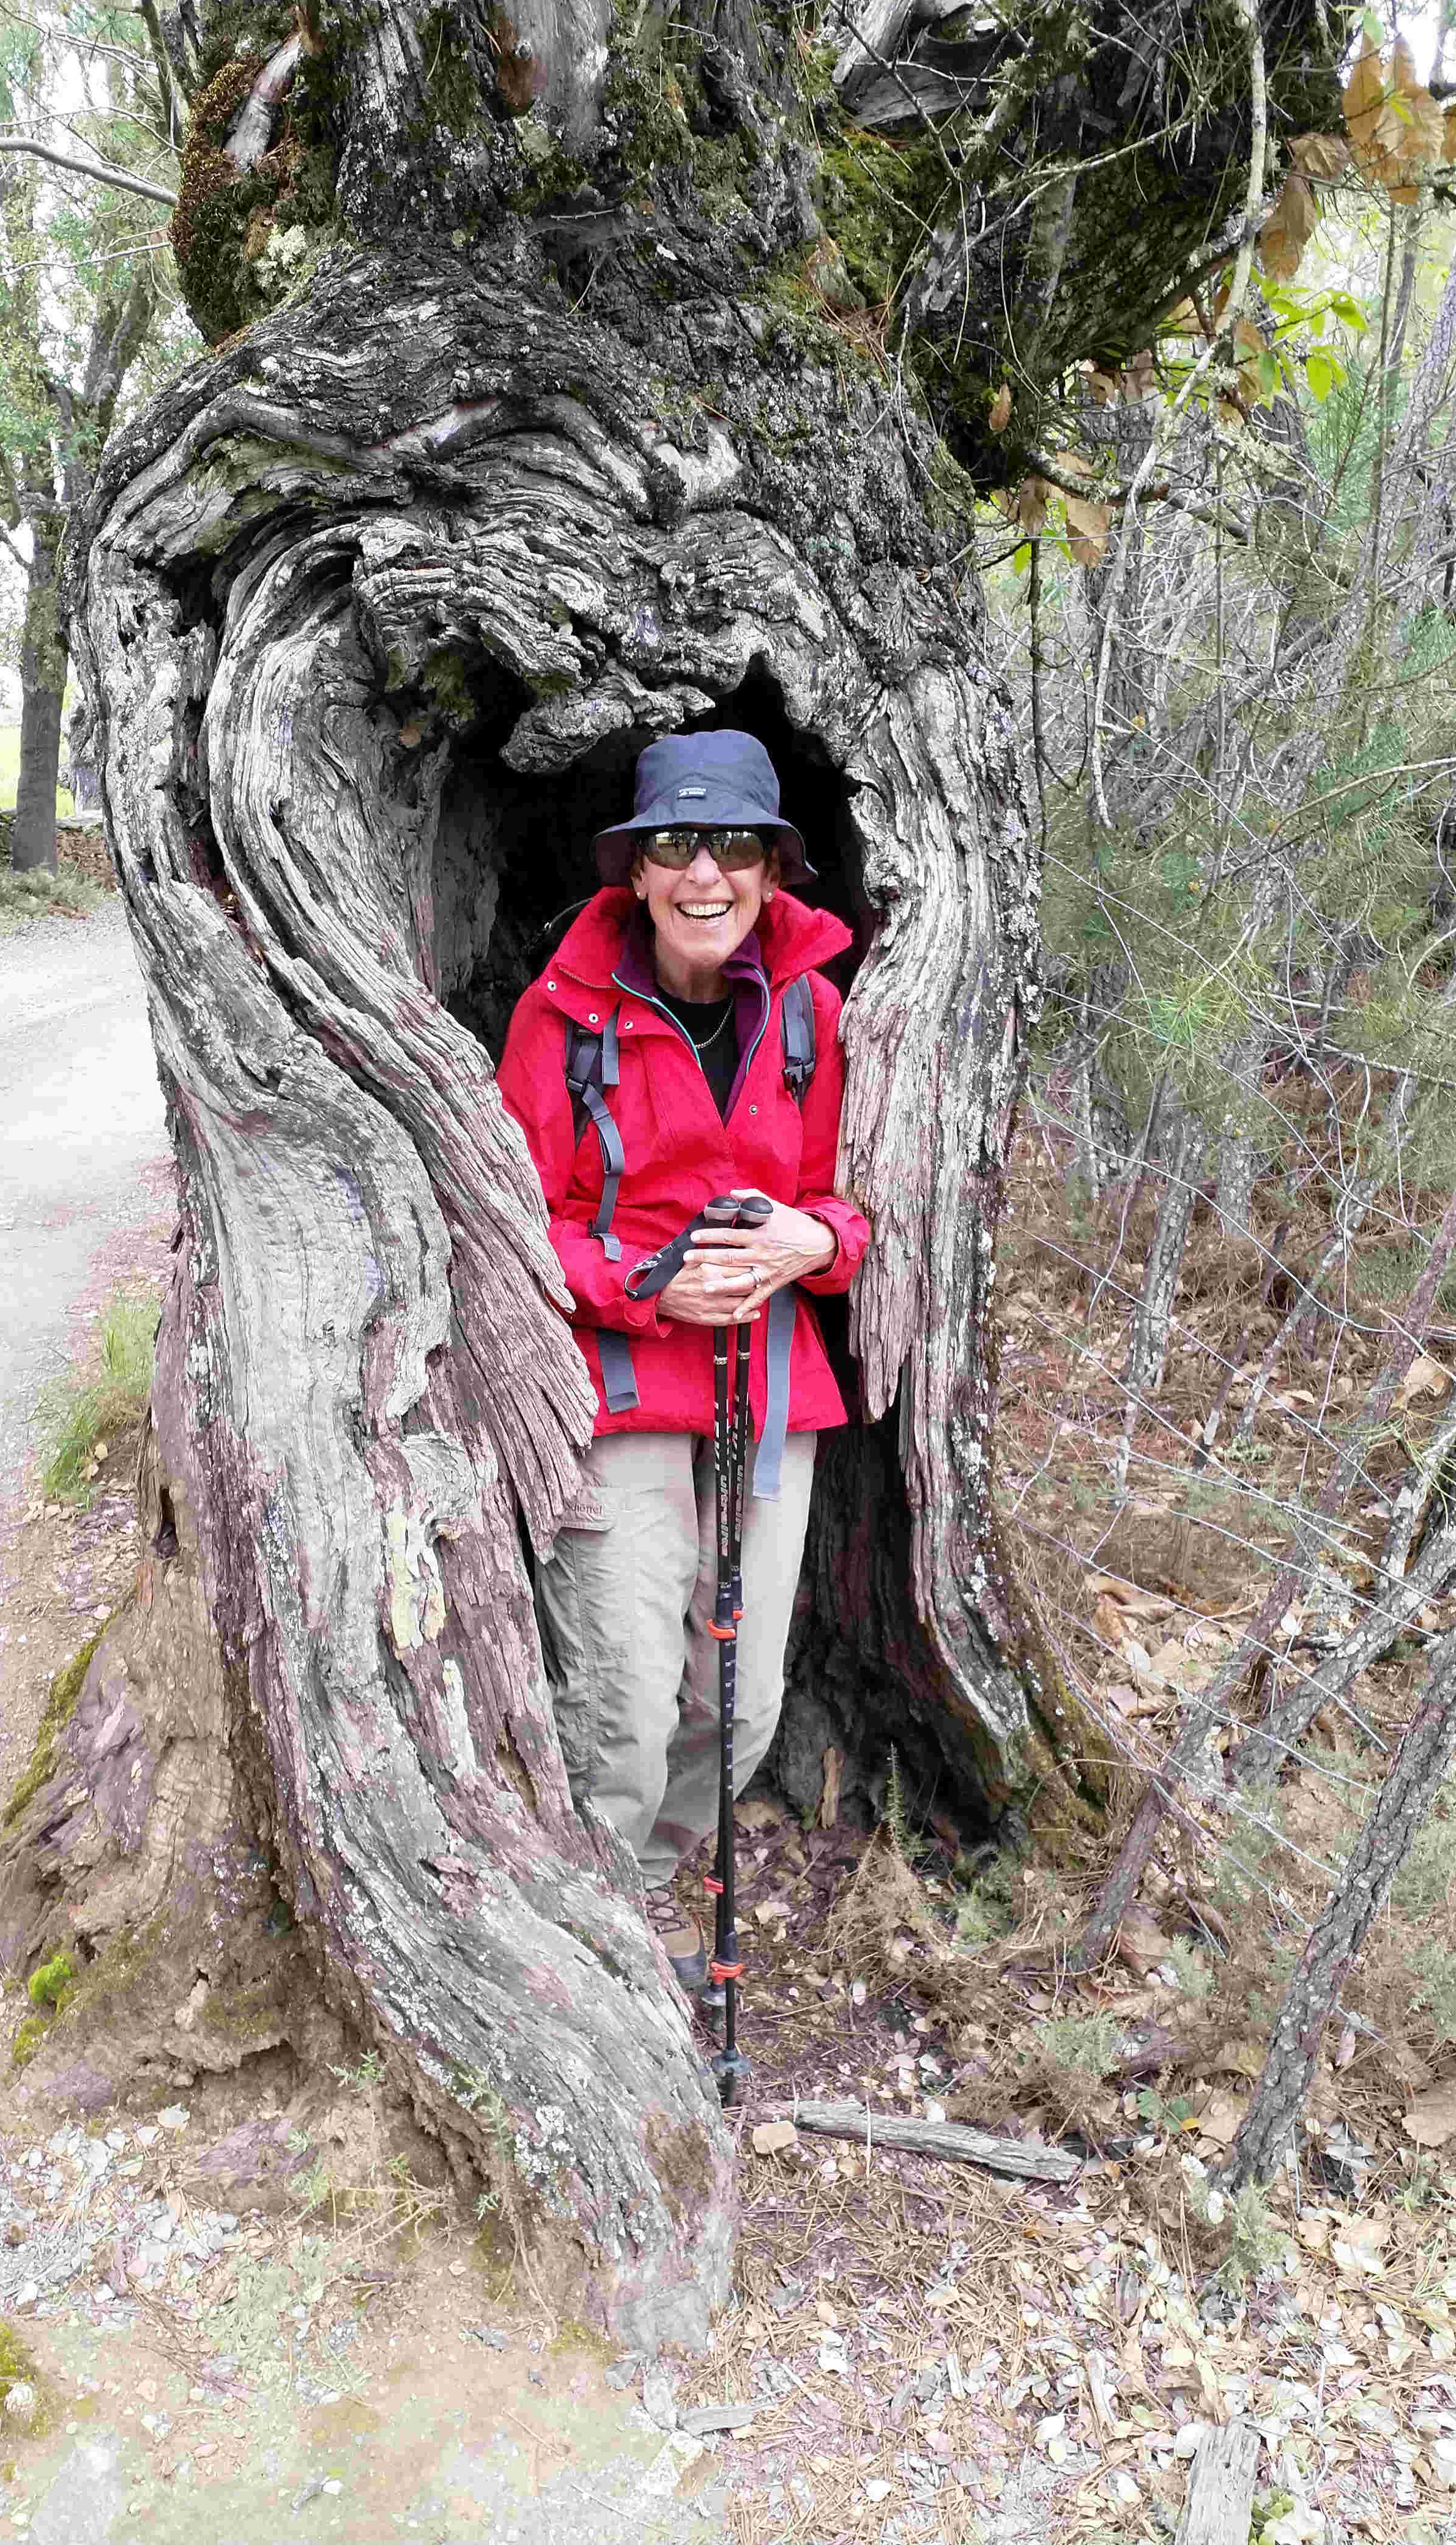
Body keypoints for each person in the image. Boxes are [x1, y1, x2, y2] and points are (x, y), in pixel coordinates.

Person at [497, 730, 869, 1996]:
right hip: (616, 1387)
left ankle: (658, 1867)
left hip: (771, 1387)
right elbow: (513, 1218)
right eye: (674, 844)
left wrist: (815, 1239)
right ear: (637, 871)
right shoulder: (563, 1020)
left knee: (746, 1698)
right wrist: (646, 1288)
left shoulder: (815, 1012)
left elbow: (860, 1204)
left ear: (773, 867)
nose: (703, 874)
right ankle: (605, 1932)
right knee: (621, 1697)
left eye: (734, 846)